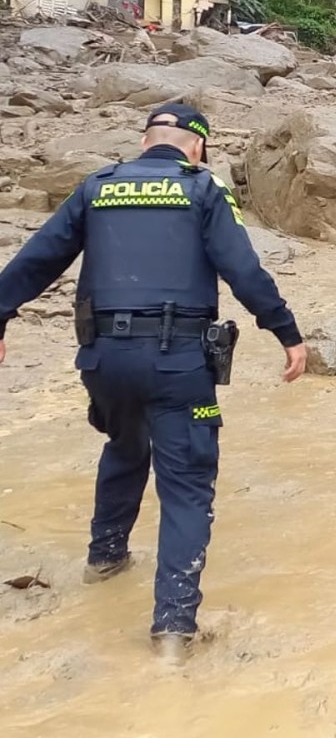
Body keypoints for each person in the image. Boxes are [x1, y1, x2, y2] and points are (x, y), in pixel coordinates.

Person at [0, 103, 307, 662]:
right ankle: (171, 630)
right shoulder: (202, 188)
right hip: (177, 362)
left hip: (103, 362)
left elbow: (37, 259)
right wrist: (287, 333)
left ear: (146, 142)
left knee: (124, 442)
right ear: (198, 147)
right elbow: (244, 271)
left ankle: (106, 557)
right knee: (187, 486)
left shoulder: (98, 186)